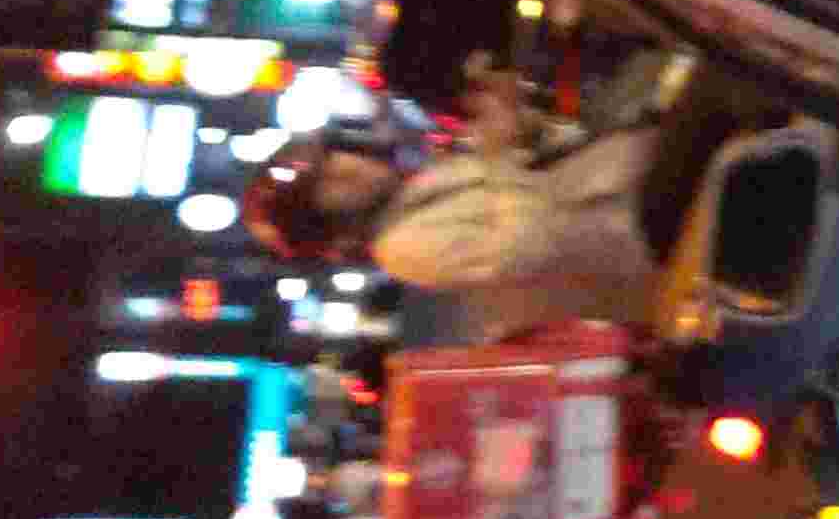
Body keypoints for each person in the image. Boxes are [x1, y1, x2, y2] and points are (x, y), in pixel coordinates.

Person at [243, 58, 769, 324]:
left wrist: (514, 120)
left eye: (334, 159)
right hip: (635, 224)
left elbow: (540, 166)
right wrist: (496, 152)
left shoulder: (417, 188)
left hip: (628, 175)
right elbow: (529, 245)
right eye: (329, 185)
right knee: (730, 72)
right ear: (332, 225)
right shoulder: (405, 249)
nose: (348, 166)